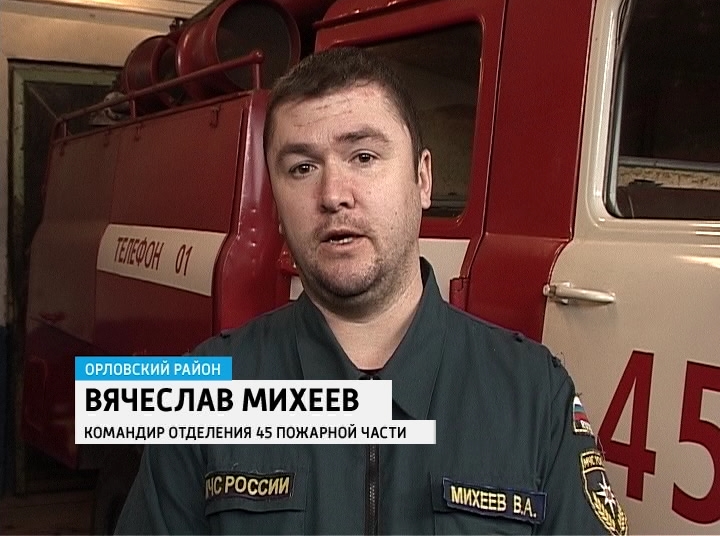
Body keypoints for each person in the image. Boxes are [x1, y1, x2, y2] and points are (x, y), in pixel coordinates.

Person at [115, 47, 627, 535]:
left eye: (363, 156)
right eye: (302, 168)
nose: (333, 195)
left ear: (422, 179)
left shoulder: (535, 395)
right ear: (276, 205)